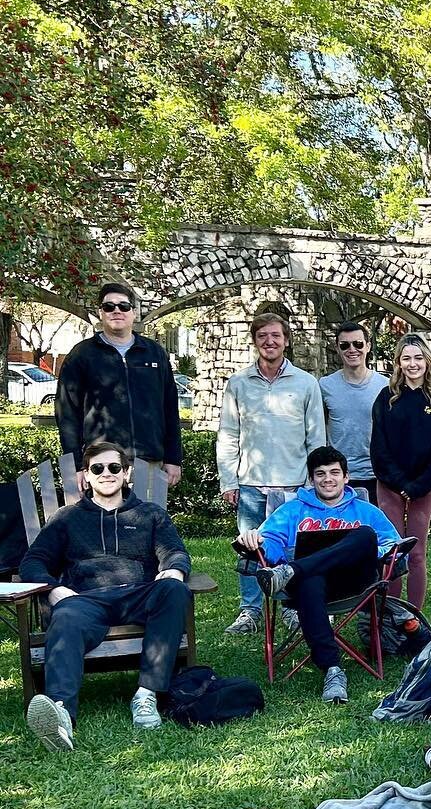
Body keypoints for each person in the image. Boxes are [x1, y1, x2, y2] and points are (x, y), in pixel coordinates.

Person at [20, 440, 192, 750]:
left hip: (139, 594)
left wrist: (175, 569)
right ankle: (60, 715)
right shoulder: (67, 518)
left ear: (127, 473)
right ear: (86, 476)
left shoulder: (150, 514)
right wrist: (54, 588)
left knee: (174, 590)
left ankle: (146, 695)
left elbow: (175, 551)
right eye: (97, 468)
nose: (106, 474)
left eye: (114, 467)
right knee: (67, 617)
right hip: (86, 600)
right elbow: (33, 561)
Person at [238, 446, 403, 705]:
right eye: (320, 473)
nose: (328, 479)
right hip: (309, 587)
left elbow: (393, 544)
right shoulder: (292, 511)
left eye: (335, 472)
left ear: (346, 477)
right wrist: (255, 542)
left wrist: (369, 552)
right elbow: (269, 542)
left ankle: (294, 569)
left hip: (353, 584)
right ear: (312, 479)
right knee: (310, 580)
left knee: (365, 535)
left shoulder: (365, 510)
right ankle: (333, 670)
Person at [216, 311, 326, 635]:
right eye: (262, 335)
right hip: (251, 484)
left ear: (286, 340)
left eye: (276, 335)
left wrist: (314, 482)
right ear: (254, 341)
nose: (269, 341)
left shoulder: (307, 383)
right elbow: (228, 434)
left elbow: (316, 437)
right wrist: (228, 480)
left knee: (293, 550)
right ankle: (249, 612)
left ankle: (293, 608)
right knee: (250, 549)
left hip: (294, 485)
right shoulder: (238, 383)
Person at [56, 282, 183, 488]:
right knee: (103, 521)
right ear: (101, 313)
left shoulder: (155, 353)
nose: (117, 311)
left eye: (123, 306)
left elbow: (169, 408)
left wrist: (174, 458)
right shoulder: (82, 355)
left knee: (148, 521)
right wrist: (75, 466)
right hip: (101, 466)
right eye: (109, 307)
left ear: (134, 313)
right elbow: (67, 414)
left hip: (149, 464)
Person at [370, 333, 431, 608]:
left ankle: (413, 618)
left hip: (423, 488)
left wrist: (418, 486)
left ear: (427, 362)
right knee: (393, 552)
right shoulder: (386, 398)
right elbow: (378, 448)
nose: (413, 364)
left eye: (418, 358)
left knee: (416, 554)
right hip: (390, 486)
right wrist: (399, 482)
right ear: (398, 363)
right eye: (407, 358)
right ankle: (391, 615)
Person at [319, 322, 388, 503]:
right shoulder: (325, 385)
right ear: (338, 348)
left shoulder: (386, 385)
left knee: (372, 530)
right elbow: (318, 428)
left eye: (357, 344)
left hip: (377, 474)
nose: (352, 350)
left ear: (368, 346)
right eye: (345, 345)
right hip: (336, 476)